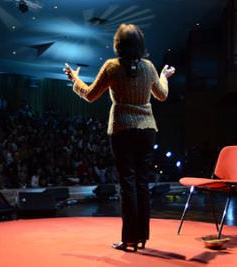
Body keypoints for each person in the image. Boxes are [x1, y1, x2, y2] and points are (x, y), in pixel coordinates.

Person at [63, 23, 175, 252]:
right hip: (147, 130)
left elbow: (90, 95)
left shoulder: (112, 67)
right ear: (140, 44)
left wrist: (75, 80)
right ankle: (142, 237)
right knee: (142, 183)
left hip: (122, 129)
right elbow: (161, 95)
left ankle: (129, 239)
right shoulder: (149, 67)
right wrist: (163, 77)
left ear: (118, 45)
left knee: (128, 185)